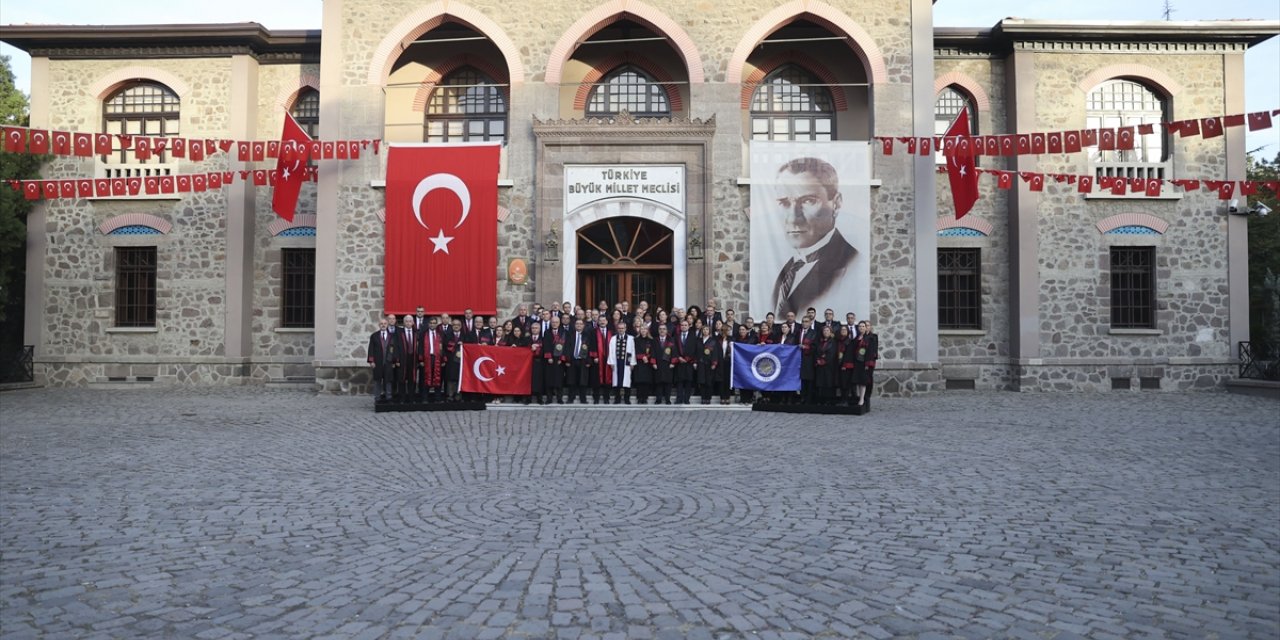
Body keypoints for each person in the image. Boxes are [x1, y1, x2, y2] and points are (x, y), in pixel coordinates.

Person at [768, 157, 858, 317]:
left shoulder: (852, 266)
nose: (793, 218)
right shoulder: (788, 270)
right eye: (784, 203)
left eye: (808, 201)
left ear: (836, 204)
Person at [367, 316, 397, 402]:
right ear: (379, 325)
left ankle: (389, 397)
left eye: (385, 324)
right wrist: (371, 361)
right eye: (381, 324)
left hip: (389, 362)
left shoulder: (392, 336)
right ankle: (377, 398)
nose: (383, 325)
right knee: (377, 381)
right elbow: (371, 349)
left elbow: (394, 350)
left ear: (387, 324)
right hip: (377, 362)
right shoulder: (374, 336)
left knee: (388, 381)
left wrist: (394, 361)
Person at [606, 320, 636, 404]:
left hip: (626, 362)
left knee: (627, 381)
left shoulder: (630, 338)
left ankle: (627, 399)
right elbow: (611, 351)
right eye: (619, 328)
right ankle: (617, 399)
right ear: (617, 329)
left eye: (622, 328)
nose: (621, 330)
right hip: (616, 362)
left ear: (625, 329)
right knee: (617, 381)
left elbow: (633, 351)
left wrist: (632, 362)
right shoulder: (613, 338)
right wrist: (611, 362)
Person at [852, 320, 879, 412]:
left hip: (865, 363)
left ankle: (863, 399)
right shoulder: (857, 338)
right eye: (860, 326)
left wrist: (868, 363)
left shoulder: (870, 338)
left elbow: (871, 352)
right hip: (857, 362)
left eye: (864, 326)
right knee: (859, 381)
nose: (862, 328)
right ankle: (860, 398)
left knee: (864, 381)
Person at [421, 315, 446, 403]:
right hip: (427, 358)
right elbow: (420, 347)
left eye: (434, 323)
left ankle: (437, 398)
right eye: (431, 323)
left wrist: (443, 359)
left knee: (437, 378)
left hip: (438, 358)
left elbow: (444, 347)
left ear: (436, 324)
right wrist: (421, 360)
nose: (432, 325)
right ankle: (425, 398)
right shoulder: (424, 333)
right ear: (428, 324)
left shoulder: (440, 334)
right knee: (426, 379)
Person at [566, 318, 592, 403]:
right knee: (571, 380)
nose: (579, 325)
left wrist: (589, 361)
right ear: (574, 325)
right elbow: (567, 348)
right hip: (572, 360)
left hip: (583, 361)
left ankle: (583, 399)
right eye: (577, 324)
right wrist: (567, 360)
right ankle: (571, 398)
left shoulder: (587, 335)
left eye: (581, 324)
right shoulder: (570, 335)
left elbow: (590, 349)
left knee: (583, 381)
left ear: (583, 326)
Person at [543, 315, 567, 403]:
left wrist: (562, 358)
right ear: (550, 323)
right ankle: (549, 398)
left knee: (559, 380)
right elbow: (546, 345)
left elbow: (566, 346)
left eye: (556, 322)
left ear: (559, 323)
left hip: (559, 360)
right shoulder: (547, 332)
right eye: (553, 322)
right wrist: (548, 357)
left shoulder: (563, 332)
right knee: (549, 379)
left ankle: (559, 398)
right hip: (550, 359)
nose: (554, 324)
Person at [673, 319, 696, 404]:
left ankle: (687, 399)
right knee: (680, 382)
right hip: (679, 362)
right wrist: (678, 357)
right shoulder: (676, 336)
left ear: (689, 326)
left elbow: (694, 349)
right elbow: (674, 348)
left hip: (689, 362)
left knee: (688, 382)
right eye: (682, 325)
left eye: (685, 325)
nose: (684, 326)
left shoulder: (693, 336)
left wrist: (688, 358)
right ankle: (679, 399)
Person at [591, 315, 613, 404]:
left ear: (607, 322)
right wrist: (595, 356)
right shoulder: (593, 332)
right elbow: (591, 345)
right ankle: (596, 398)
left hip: (608, 358)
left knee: (608, 378)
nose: (602, 322)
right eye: (600, 320)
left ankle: (606, 398)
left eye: (604, 320)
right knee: (596, 379)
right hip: (598, 359)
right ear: (598, 322)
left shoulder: (611, 332)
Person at [814, 324, 838, 405]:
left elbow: (832, 353)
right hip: (820, 366)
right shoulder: (820, 342)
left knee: (828, 383)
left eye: (827, 330)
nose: (826, 332)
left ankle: (829, 400)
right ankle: (821, 399)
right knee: (820, 383)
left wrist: (824, 360)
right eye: (824, 330)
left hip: (829, 366)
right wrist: (818, 359)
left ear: (831, 332)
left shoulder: (833, 342)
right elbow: (817, 352)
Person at [632, 324, 655, 404]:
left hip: (647, 363)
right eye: (642, 329)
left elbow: (653, 351)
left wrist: (648, 357)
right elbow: (634, 351)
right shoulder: (635, 340)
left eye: (645, 329)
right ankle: (639, 397)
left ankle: (645, 397)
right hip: (638, 362)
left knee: (646, 381)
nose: (643, 331)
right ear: (639, 330)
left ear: (647, 330)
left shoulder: (651, 340)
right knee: (639, 381)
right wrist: (642, 357)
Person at [652, 324, 675, 404]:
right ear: (658, 331)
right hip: (658, 364)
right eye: (660, 329)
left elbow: (674, 352)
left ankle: (667, 399)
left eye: (664, 329)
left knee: (668, 382)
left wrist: (673, 362)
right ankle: (658, 399)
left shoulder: (671, 340)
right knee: (659, 382)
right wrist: (653, 362)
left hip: (668, 364)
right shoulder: (655, 340)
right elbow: (653, 352)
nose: (662, 330)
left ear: (666, 330)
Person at [734, 323, 756, 405]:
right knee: (741, 380)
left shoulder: (752, 339)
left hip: (749, 363)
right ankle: (743, 398)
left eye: (743, 329)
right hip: (739, 363)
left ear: (747, 331)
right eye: (740, 330)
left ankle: (749, 398)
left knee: (749, 380)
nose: (741, 331)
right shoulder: (736, 339)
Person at [696, 324, 717, 404]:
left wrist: (714, 363)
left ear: (709, 331)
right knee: (702, 381)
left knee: (709, 381)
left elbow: (715, 353)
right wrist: (695, 362)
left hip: (709, 364)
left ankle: (708, 398)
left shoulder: (712, 341)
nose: (705, 331)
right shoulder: (698, 340)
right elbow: (696, 352)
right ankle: (703, 397)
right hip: (700, 363)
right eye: (704, 329)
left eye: (707, 330)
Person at [444, 318, 464, 402]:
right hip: (450, 360)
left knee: (459, 378)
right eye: (454, 325)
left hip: (461, 361)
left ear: (461, 326)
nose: (456, 326)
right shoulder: (447, 335)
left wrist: (463, 344)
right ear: (452, 326)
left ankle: (458, 395)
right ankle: (450, 395)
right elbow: (445, 347)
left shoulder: (464, 335)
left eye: (458, 325)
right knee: (450, 378)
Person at [798, 317, 817, 404]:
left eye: (806, 322)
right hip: (798, 359)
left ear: (810, 323)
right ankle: (802, 397)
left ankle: (809, 399)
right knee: (801, 380)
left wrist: (806, 347)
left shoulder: (813, 333)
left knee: (809, 380)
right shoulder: (799, 332)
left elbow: (815, 347)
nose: (804, 323)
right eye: (803, 321)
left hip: (809, 359)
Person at [714, 324, 734, 405]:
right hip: (720, 362)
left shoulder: (731, 339)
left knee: (728, 379)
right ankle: (722, 397)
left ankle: (727, 397)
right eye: (724, 330)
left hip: (728, 362)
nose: (725, 332)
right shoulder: (717, 339)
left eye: (727, 330)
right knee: (721, 380)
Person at [527, 322, 544, 405]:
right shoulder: (527, 338)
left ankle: (539, 398)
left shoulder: (543, 339)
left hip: (539, 362)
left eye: (536, 328)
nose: (534, 329)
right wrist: (530, 348)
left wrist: (537, 350)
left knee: (539, 380)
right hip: (528, 363)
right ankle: (528, 398)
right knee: (528, 380)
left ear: (539, 329)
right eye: (533, 328)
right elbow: (523, 349)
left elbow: (546, 349)